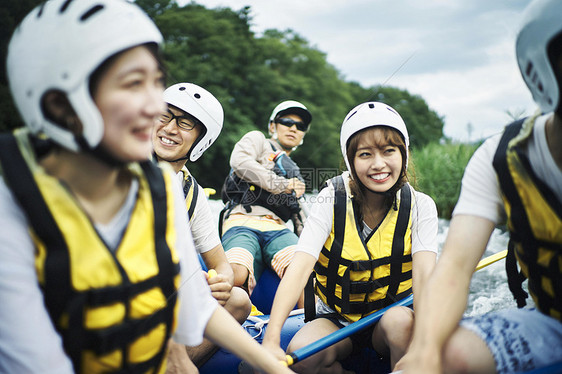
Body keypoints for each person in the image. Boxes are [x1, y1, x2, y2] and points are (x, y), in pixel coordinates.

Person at [0, 1, 294, 373]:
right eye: (133, 85)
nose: (155, 109)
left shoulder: (160, 189)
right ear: (60, 101)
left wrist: (270, 364)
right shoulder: (13, 193)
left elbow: (199, 304)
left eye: (155, 83)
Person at [395, 1, 562, 373]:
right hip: (552, 320)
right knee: (446, 353)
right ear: (543, 69)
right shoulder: (499, 159)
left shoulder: (417, 204)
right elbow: (453, 268)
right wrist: (424, 352)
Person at [262, 102, 439, 373]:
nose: (379, 164)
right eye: (365, 154)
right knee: (302, 356)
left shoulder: (421, 206)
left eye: (389, 151)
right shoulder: (331, 198)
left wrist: (429, 343)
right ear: (350, 160)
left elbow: (425, 281)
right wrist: (271, 341)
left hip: (388, 319)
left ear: (403, 153)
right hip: (336, 319)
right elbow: (299, 270)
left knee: (402, 323)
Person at [152, 82, 251, 366]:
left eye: (184, 123)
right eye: (164, 116)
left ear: (200, 140)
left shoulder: (192, 194)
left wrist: (220, 282)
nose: (170, 128)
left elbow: (221, 265)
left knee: (238, 300)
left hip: (162, 303)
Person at [220, 100, 311, 303]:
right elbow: (240, 161)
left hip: (278, 228)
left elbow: (300, 219)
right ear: (273, 126)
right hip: (243, 218)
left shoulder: (295, 172)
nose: (293, 128)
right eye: (287, 122)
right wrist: (283, 184)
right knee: (237, 270)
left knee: (304, 271)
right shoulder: (258, 140)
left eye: (300, 126)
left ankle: (305, 327)